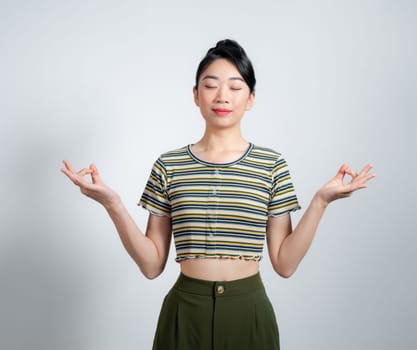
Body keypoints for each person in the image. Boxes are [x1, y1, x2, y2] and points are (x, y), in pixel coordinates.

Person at [61, 39, 375, 350]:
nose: (222, 95)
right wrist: (112, 204)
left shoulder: (272, 165)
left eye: (235, 87)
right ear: (196, 95)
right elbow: (152, 265)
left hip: (249, 313)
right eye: (210, 85)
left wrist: (321, 202)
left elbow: (285, 263)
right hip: (184, 315)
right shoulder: (169, 166)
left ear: (250, 98)